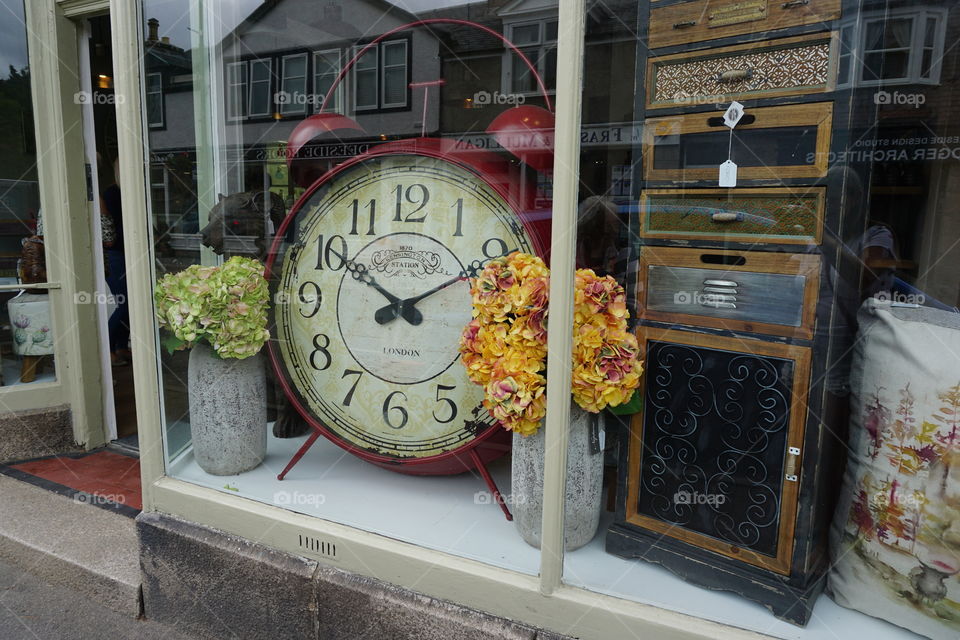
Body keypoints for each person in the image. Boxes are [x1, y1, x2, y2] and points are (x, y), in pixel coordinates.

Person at [102, 157, 130, 366]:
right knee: (125, 303)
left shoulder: (127, 192)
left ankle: (121, 346)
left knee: (131, 303)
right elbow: (111, 233)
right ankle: (108, 348)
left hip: (127, 253)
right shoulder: (111, 194)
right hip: (115, 255)